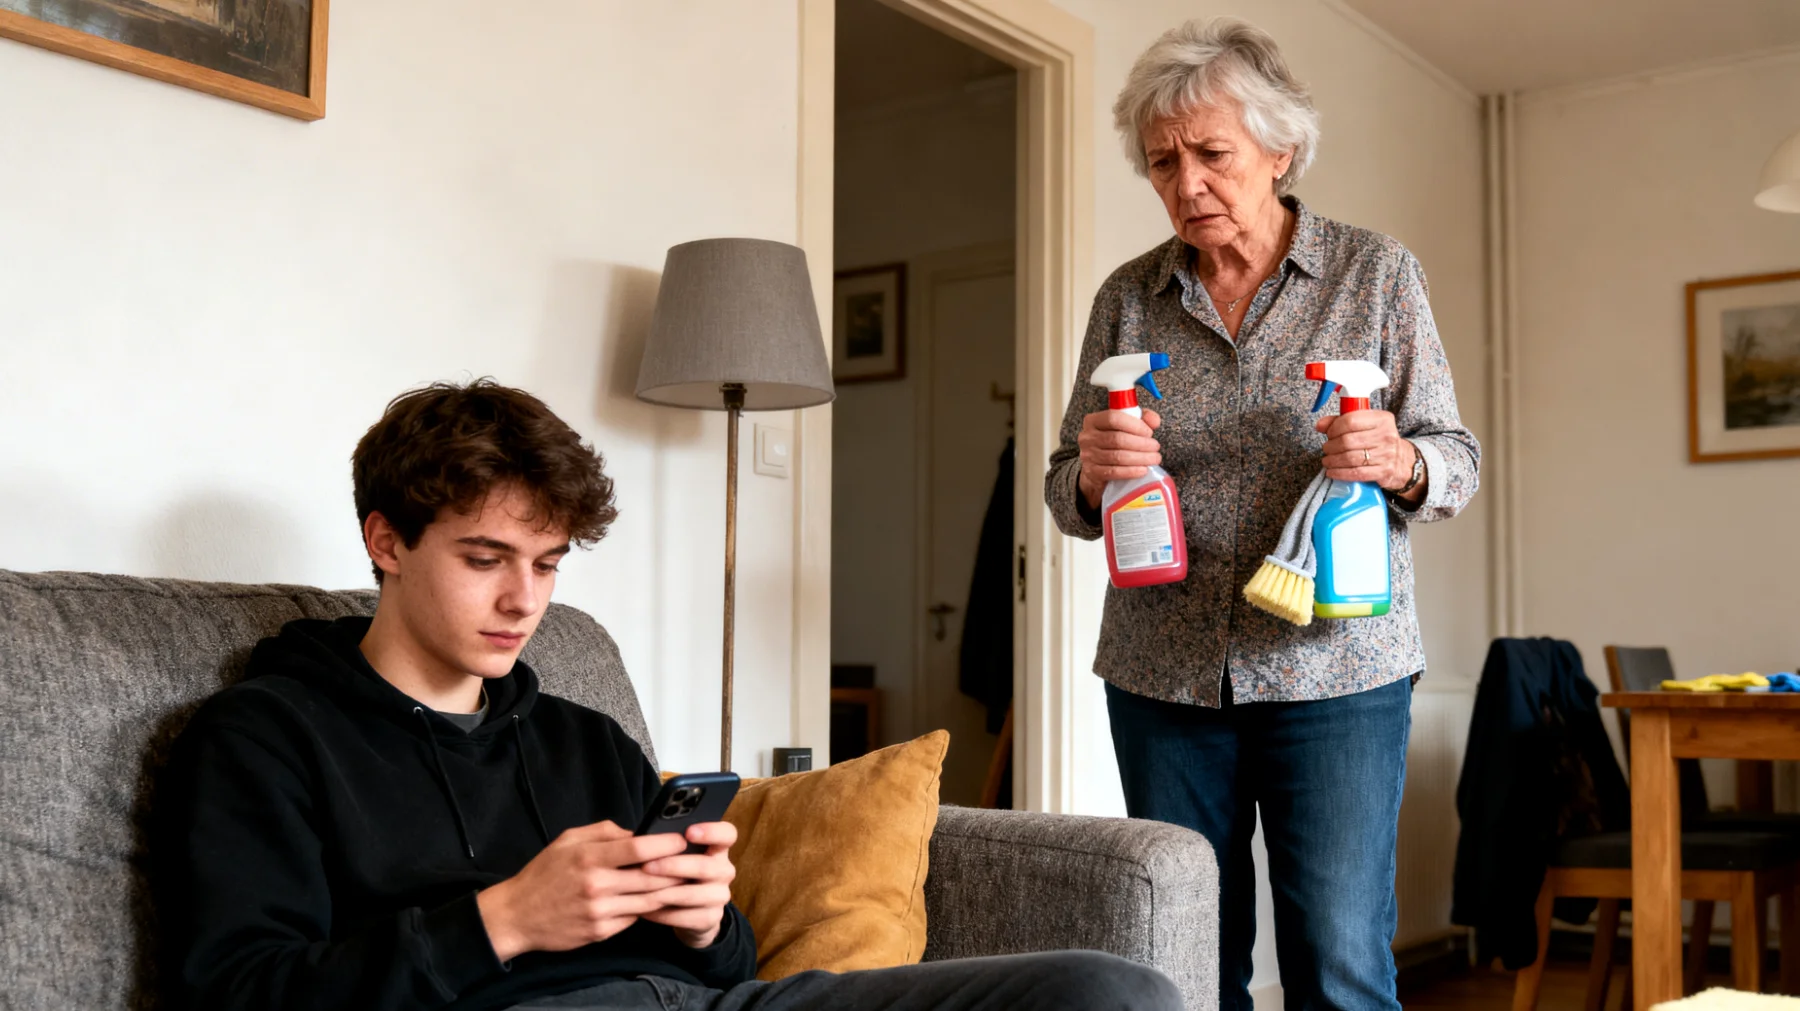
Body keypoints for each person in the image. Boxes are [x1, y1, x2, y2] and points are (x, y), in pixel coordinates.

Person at [154, 379, 1181, 1011]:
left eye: (547, 565)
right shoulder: (265, 737)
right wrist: (502, 922)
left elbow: (729, 967)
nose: (524, 601)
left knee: (1111, 988)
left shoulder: (582, 738)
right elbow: (237, 992)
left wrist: (702, 923)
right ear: (386, 540)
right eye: (485, 558)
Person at [1043, 18, 1480, 1011]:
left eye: (1212, 154)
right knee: (1184, 959)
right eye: (1163, 163)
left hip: (1336, 670)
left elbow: (1456, 459)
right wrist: (1093, 476)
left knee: (1339, 961)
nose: (1186, 183)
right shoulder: (1129, 297)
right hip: (1162, 676)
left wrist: (1402, 461)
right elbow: (1067, 485)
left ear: (1280, 151)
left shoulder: (1376, 273)